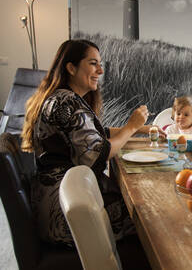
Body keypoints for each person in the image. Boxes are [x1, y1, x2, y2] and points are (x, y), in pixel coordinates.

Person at [21, 39, 156, 246]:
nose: (100, 70)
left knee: (142, 204)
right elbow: (99, 152)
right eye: (93, 63)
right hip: (67, 213)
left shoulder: (60, 98)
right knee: (148, 214)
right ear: (71, 67)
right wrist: (131, 126)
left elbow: (95, 134)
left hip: (56, 202)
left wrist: (141, 128)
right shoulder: (67, 102)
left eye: (100, 64)